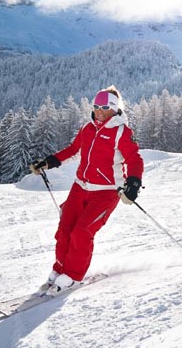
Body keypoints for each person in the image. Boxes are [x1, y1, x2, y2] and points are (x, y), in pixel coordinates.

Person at [29, 86, 143, 295]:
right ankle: (60, 269)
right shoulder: (87, 129)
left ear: (114, 109)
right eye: (96, 106)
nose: (99, 110)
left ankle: (72, 276)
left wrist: (133, 184)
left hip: (106, 192)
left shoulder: (121, 132)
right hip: (80, 187)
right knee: (65, 229)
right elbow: (73, 151)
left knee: (82, 231)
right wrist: (48, 162)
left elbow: (134, 159)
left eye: (104, 107)